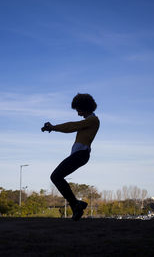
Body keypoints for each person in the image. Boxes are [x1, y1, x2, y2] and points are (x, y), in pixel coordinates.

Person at [41, 93, 100, 221]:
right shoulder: (87, 121)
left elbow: (71, 126)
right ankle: (76, 204)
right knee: (57, 176)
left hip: (81, 154)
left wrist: (53, 127)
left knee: (56, 176)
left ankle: (76, 205)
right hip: (79, 155)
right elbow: (72, 126)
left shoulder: (93, 120)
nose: (78, 113)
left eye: (79, 110)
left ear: (85, 107)